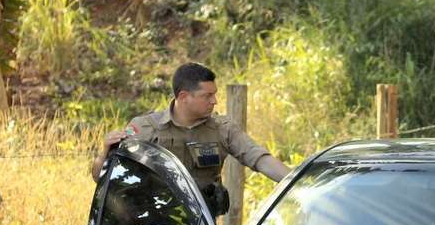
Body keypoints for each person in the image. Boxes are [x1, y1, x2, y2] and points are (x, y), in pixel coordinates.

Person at [91, 62, 291, 211]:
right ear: (184, 97)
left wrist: (297, 183)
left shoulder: (223, 129)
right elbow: (104, 178)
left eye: (215, 94)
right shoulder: (144, 128)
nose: (215, 101)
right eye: (207, 96)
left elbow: (260, 159)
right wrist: (104, 154)